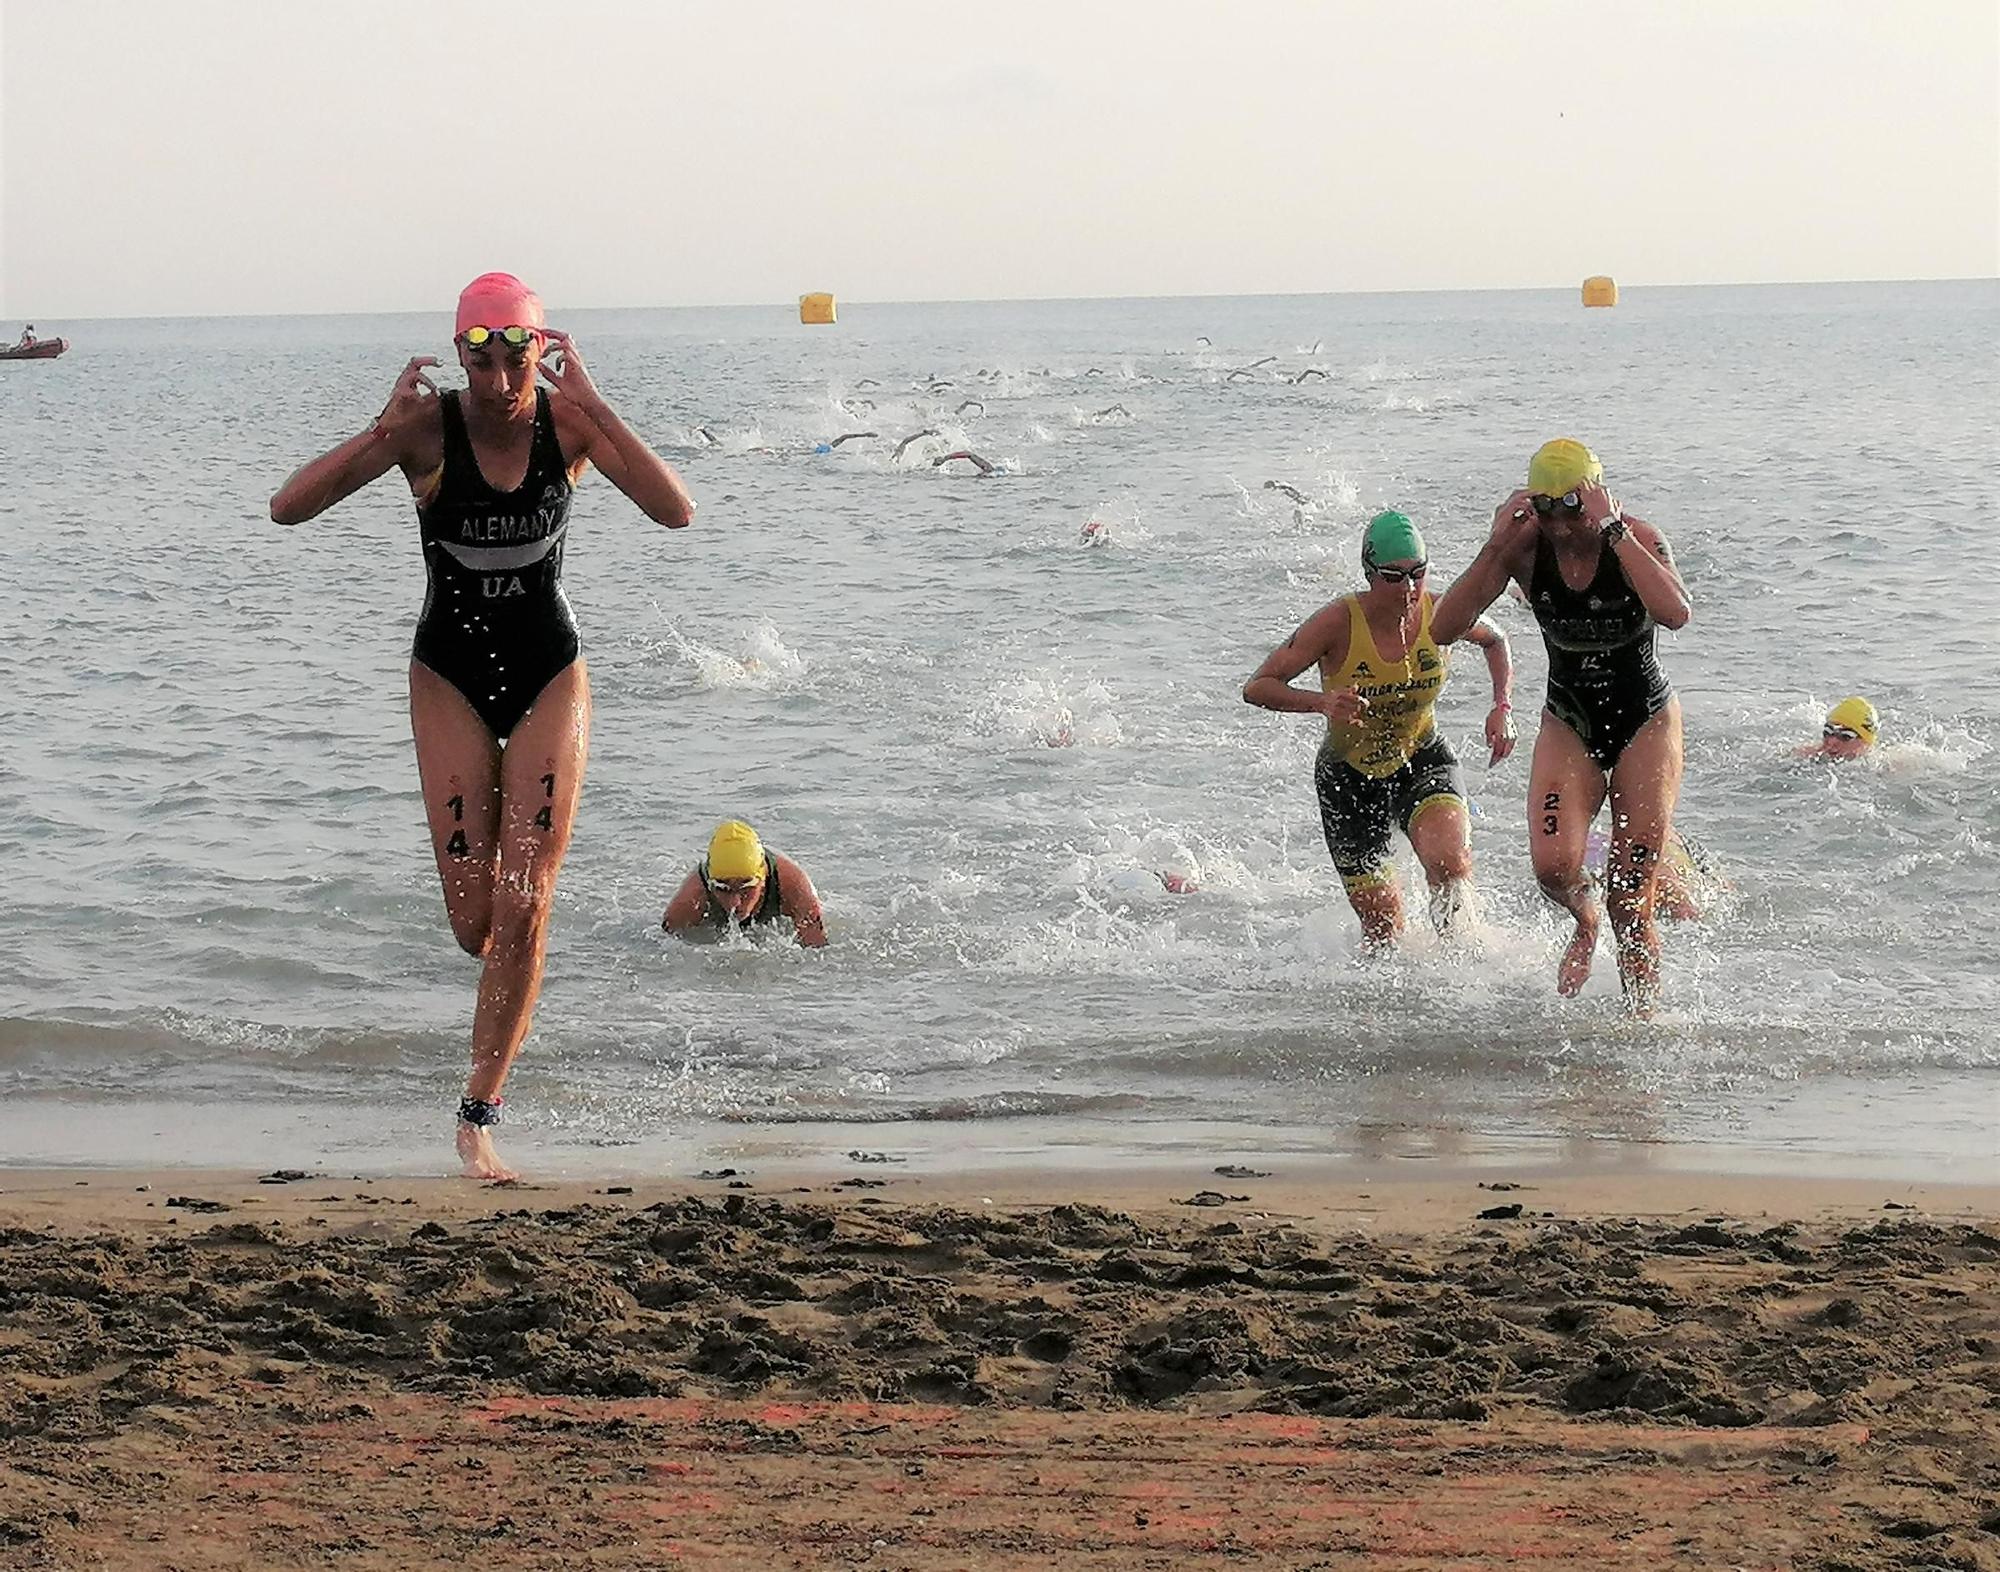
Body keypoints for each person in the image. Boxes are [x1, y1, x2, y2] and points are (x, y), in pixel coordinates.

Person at [268, 272, 696, 1181]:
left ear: (543, 349)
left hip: (548, 671)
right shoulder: (427, 429)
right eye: (482, 355)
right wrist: (383, 433)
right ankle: (495, 1044)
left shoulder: (571, 425)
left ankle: (478, 1116)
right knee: (478, 924)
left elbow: (675, 510)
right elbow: (288, 507)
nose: (501, 379)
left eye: (518, 354)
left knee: (528, 899)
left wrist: (603, 412)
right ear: (459, 352)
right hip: (449, 677)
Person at [1432, 439, 1691, 1013]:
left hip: (1644, 719)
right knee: (1552, 870)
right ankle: (1584, 919)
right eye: (1545, 510)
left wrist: (1616, 532)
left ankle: (1643, 1020)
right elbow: (1443, 629)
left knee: (1631, 897)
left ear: (1595, 499)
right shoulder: (1524, 547)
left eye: (1572, 510)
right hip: (1569, 717)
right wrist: (1495, 547)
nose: (1560, 526)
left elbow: (1676, 613)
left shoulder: (1638, 539)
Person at [1243, 510, 1516, 946]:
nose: (1409, 589)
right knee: (1384, 932)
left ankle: (1462, 970)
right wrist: (1322, 703)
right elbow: (1258, 686)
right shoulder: (1336, 622)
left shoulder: (1441, 612)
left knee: (1451, 864)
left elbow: (1495, 639)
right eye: (1394, 577)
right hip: (1349, 779)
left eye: (1418, 574)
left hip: (1422, 758)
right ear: (1370, 574)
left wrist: (1501, 706)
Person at [663, 820, 827, 947]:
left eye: (746, 889)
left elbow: (818, 951)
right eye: (723, 889)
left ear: (763, 879)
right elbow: (664, 946)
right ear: (711, 884)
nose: (735, 902)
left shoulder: (794, 888)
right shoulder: (692, 897)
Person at [1796, 696, 1879, 760]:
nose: (1831, 741)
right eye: (1828, 732)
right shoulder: (1807, 755)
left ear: (1865, 743)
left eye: (1845, 736)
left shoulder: (1881, 768)